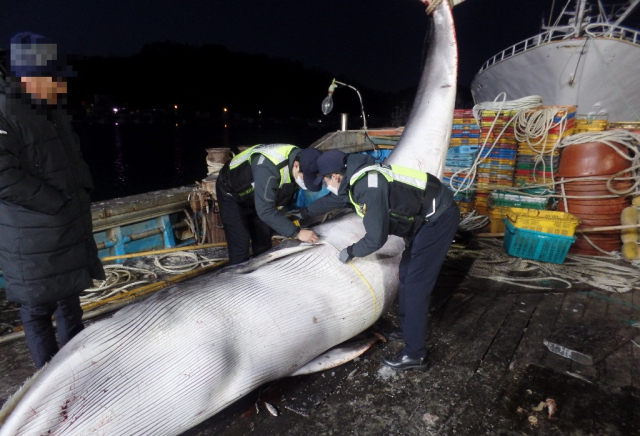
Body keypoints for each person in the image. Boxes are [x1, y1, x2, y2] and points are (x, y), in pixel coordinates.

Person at [0, 32, 105, 369]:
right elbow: (3, 176)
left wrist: (81, 190)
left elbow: (69, 157)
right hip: (33, 233)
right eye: (52, 75)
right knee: (37, 309)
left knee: (69, 298)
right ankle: (47, 378)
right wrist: (54, 203)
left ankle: (76, 366)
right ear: (28, 75)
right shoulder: (4, 111)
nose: (60, 83)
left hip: (63, 226)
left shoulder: (49, 107)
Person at [314, 150, 460, 371]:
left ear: (335, 176)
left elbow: (375, 239)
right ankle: (406, 329)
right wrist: (300, 218)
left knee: (416, 286)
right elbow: (332, 201)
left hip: (439, 218)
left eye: (325, 180)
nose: (326, 185)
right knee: (406, 272)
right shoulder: (357, 177)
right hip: (424, 219)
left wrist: (351, 251)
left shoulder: (368, 186)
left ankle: (415, 355)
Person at [215, 145, 322, 265]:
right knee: (240, 242)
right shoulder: (269, 168)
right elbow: (265, 211)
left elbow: (277, 202)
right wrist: (297, 232)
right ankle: (237, 278)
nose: (306, 183)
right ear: (296, 166)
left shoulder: (303, 160)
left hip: (257, 193)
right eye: (305, 178)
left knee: (263, 240)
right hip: (231, 193)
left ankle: (262, 277)